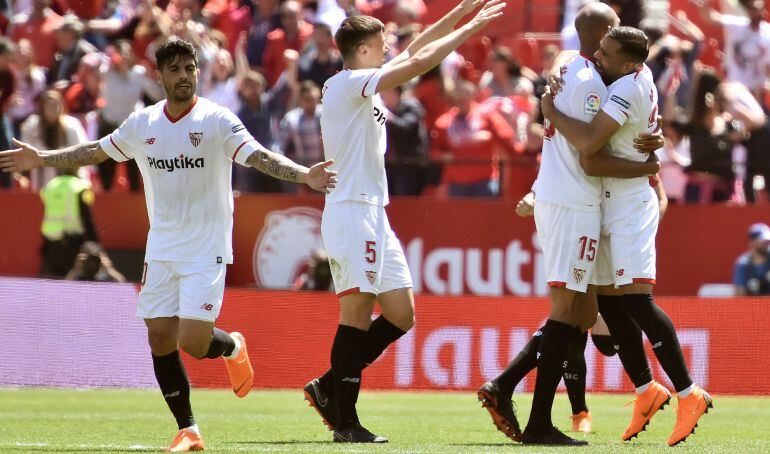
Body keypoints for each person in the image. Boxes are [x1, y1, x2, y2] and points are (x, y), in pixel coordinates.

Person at [0, 38, 336, 452]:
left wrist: (305, 176)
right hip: (161, 247)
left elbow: (261, 158)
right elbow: (95, 152)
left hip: (206, 246)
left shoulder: (217, 120)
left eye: (190, 68)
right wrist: (43, 159)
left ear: (197, 71)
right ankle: (188, 429)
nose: (184, 76)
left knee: (193, 342)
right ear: (158, 76)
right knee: (159, 335)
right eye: (175, 69)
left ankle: (231, 344)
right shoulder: (143, 124)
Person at [302, 0, 505, 443]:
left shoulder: (363, 84)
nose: (389, 46)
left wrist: (459, 13)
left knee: (400, 313)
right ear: (362, 49)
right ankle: (346, 421)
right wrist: (470, 29)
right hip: (352, 209)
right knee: (355, 313)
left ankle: (328, 386)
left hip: (375, 211)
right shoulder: (347, 83)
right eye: (382, 42)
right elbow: (420, 60)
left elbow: (417, 48)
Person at [478, 4, 661, 446]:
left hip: (576, 202)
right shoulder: (588, 83)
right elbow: (588, 149)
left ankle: (506, 385)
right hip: (574, 203)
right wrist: (648, 166)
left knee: (581, 312)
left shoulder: (574, 68)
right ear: (605, 36)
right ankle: (538, 421)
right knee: (567, 310)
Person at [540, 25, 713, 447]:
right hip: (610, 202)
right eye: (598, 49)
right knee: (611, 306)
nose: (598, 56)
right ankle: (645, 391)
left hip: (630, 202)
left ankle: (690, 393)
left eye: (607, 53)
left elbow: (589, 153)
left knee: (637, 300)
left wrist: (550, 109)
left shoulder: (626, 91)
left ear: (630, 63)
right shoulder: (635, 75)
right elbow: (572, 55)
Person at [696, 0, 770, 100]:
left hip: (757, 89)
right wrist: (704, 4)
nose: (755, 13)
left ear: (763, 11)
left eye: (758, 10)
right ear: (748, 11)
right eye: (753, 10)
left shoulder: (767, 33)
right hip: (735, 86)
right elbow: (710, 17)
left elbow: (767, 64)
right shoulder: (738, 25)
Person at [38, 166, 97, 278]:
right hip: (72, 240)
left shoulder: (50, 185)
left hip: (50, 239)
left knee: (53, 278)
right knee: (72, 278)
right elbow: (86, 216)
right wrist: (93, 241)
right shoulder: (80, 186)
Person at [733, 223, 770, 296]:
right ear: (752, 242)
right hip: (752, 306)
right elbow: (740, 295)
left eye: (768, 241)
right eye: (763, 241)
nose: (767, 243)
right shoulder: (743, 265)